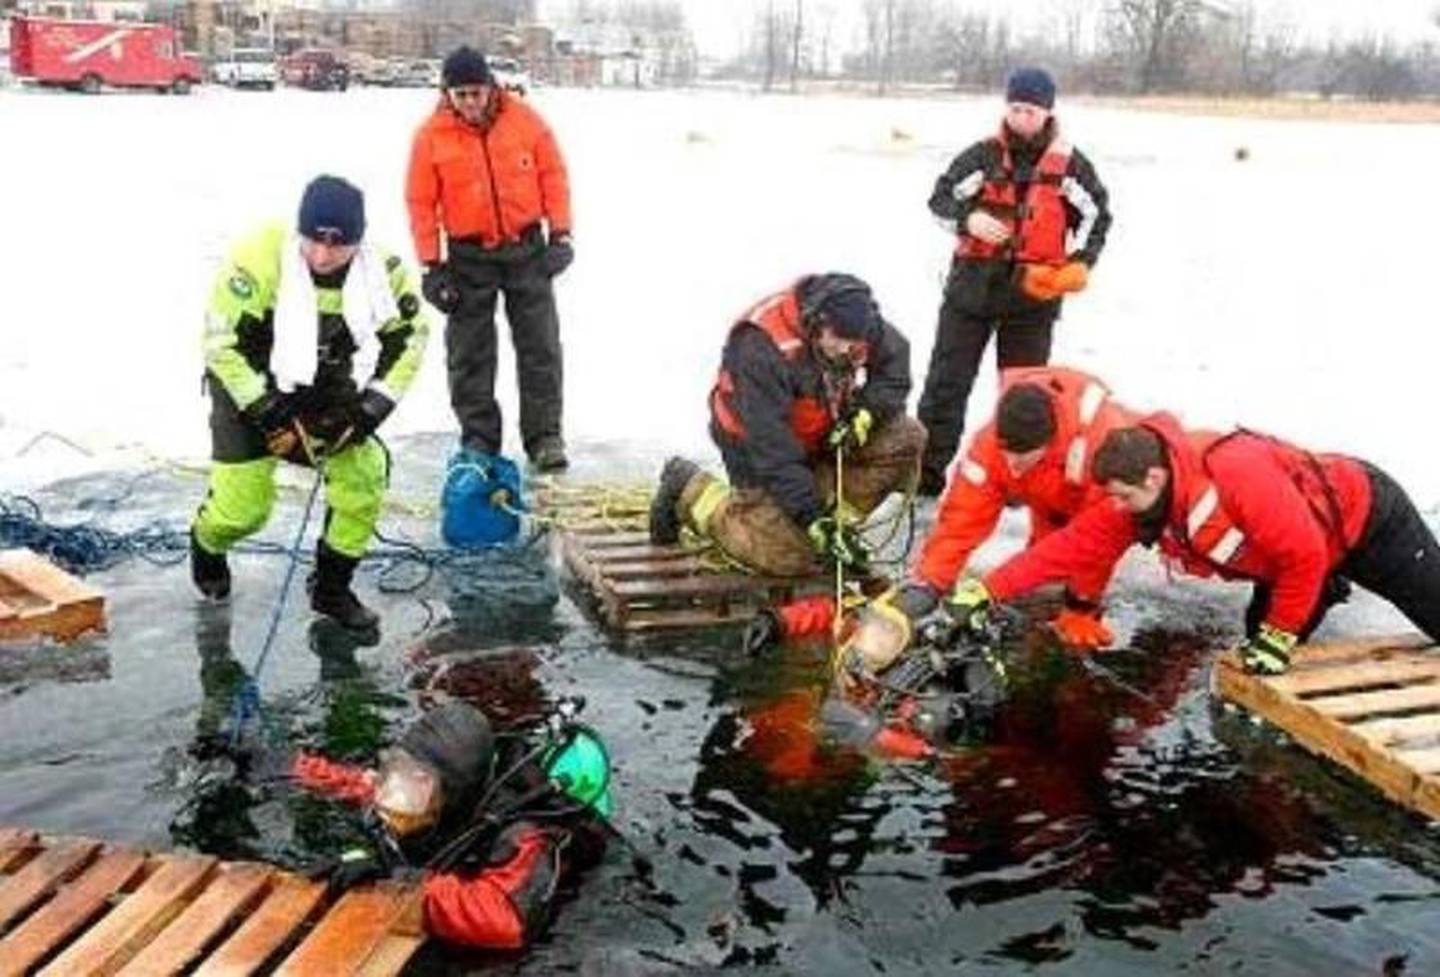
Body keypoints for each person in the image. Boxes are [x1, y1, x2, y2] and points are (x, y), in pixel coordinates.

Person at [945, 414, 1440, 675]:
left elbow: (1303, 552)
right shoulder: (1144, 500)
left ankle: (1322, 587)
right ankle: (1323, 589)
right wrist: (988, 590)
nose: (1115, 507)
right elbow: (1068, 548)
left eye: (1122, 496)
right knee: (1258, 649)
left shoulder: (1235, 472)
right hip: (1299, 556)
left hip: (1367, 518)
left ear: (1154, 476)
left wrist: (1280, 636)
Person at [190, 175, 429, 633]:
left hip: (321, 379)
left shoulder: (386, 270)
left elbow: (411, 338)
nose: (322, 256)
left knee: (364, 474)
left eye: (337, 247)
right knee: (244, 511)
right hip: (247, 380)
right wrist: (264, 407)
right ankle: (206, 542)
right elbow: (220, 344)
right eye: (313, 241)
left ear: (358, 243)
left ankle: (332, 587)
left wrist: (370, 409)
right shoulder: (256, 258)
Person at [829, 366, 1135, 678]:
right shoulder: (990, 446)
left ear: (1050, 441)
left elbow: (1100, 538)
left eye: (1023, 457)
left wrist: (1082, 604)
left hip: (1121, 501)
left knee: (1065, 599)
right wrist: (930, 583)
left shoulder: (1102, 445)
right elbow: (962, 518)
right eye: (1007, 454)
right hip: (1051, 501)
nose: (1013, 467)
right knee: (1037, 588)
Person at [648, 273, 926, 577]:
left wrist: (865, 414)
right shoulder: (760, 347)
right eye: (840, 339)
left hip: (821, 432)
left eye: (855, 342)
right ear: (815, 322)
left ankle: (833, 526)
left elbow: (894, 367)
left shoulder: (858, 322)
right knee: (784, 558)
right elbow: (774, 452)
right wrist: (812, 520)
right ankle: (689, 488)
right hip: (755, 450)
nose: (848, 350)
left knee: (907, 437)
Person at [917, 66, 1111, 497]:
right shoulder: (981, 157)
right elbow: (939, 200)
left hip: (1032, 296)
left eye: (1031, 110)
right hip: (971, 290)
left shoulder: (1071, 166)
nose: (1022, 117)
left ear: (1047, 112)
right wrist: (969, 218)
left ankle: (1018, 480)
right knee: (946, 385)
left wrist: (1081, 262)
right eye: (1016, 108)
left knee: (1024, 395)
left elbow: (1099, 215)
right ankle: (926, 475)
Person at [295, 700, 611, 950]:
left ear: (453, 792)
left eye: (418, 781)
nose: (399, 791)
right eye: (400, 771)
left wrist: (397, 881)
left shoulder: (519, 833)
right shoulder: (430, 789)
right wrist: (322, 777)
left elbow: (506, 921)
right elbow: (386, 784)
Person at [406, 45, 573, 473]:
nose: (470, 103)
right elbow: (421, 202)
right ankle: (479, 439)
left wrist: (561, 233)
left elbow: (553, 175)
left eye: (476, 92)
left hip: (527, 250)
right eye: (461, 95)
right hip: (468, 256)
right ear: (448, 93)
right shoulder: (431, 136)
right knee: (470, 354)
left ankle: (545, 437)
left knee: (540, 347)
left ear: (490, 88)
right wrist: (432, 266)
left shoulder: (526, 121)